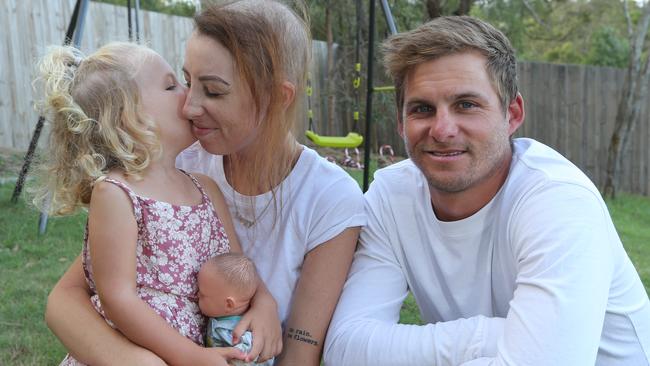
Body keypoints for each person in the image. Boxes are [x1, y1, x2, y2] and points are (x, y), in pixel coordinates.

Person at [45, 1, 366, 365]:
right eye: (185, 81)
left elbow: (299, 354)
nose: (189, 105)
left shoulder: (329, 199)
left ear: (277, 97)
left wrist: (265, 301)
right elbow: (69, 297)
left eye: (213, 91)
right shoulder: (169, 163)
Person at [325, 16, 650, 366]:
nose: (442, 129)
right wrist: (490, 336)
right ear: (400, 122)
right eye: (422, 109)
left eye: (466, 104)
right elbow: (346, 346)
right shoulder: (392, 196)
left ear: (512, 115)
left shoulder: (558, 200)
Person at [35, 41, 273, 366]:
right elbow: (117, 298)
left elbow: (237, 267)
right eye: (171, 85)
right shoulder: (117, 194)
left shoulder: (205, 189)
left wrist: (263, 303)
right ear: (130, 116)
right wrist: (190, 356)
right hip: (141, 351)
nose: (188, 95)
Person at [199, 253, 273, 366]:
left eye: (203, 295)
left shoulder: (237, 330)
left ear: (228, 305)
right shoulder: (220, 316)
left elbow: (250, 352)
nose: (196, 294)